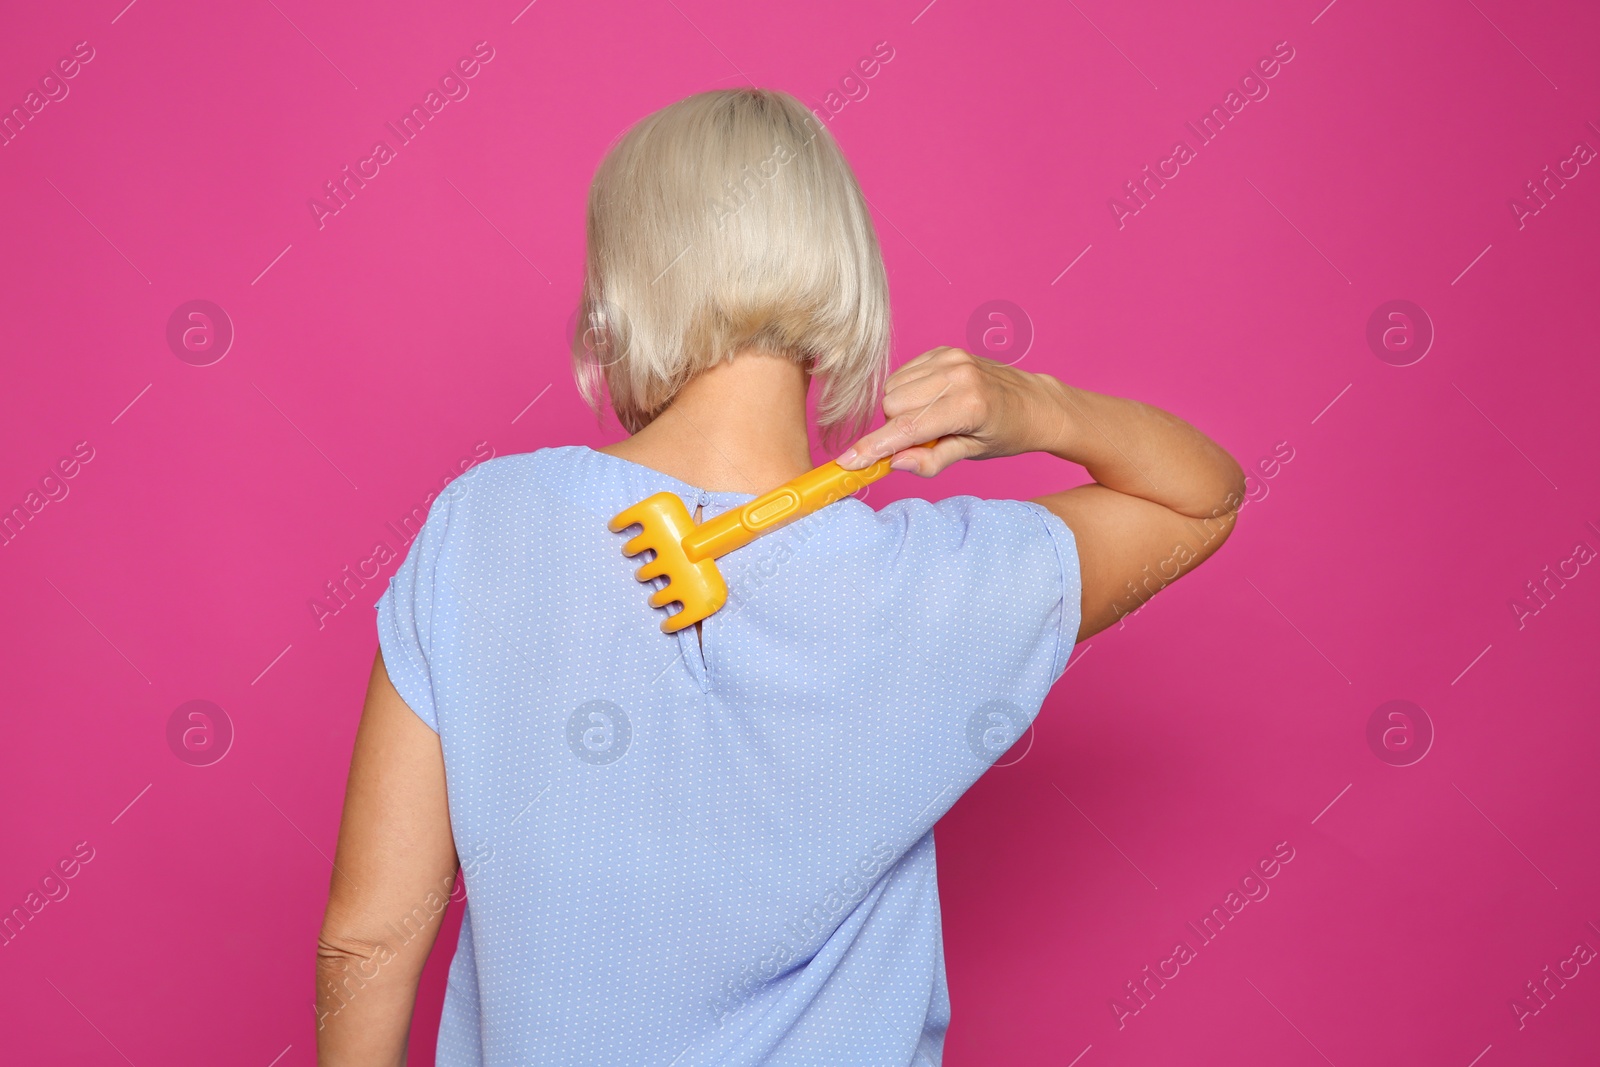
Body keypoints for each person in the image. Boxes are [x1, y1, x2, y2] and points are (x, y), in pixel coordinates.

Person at [315, 88, 1244, 1067]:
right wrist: (1040, 408)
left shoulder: (483, 526)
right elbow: (1200, 498)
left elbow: (367, 936)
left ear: (619, 290)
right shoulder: (934, 588)